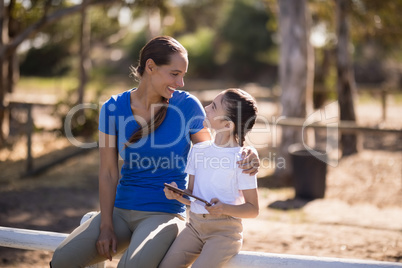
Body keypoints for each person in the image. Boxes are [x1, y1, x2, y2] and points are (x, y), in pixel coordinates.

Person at [50, 36, 259, 268]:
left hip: (165, 213)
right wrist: (106, 225)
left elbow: (216, 149)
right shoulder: (112, 108)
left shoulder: (186, 105)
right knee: (62, 260)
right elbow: (108, 173)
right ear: (150, 67)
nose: (180, 83)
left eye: (183, 75)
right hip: (121, 210)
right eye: (174, 73)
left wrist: (248, 152)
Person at [160, 88, 259, 268]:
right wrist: (177, 194)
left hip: (224, 234)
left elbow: (253, 209)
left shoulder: (243, 160)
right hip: (195, 227)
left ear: (228, 125)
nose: (206, 108)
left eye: (213, 107)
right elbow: (191, 196)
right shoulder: (198, 150)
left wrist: (224, 209)